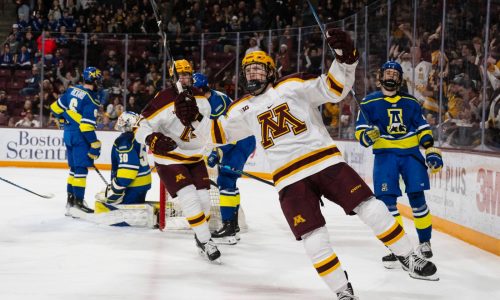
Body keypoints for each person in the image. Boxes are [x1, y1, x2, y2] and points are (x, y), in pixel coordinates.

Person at [174, 29, 438, 299]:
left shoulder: (293, 85)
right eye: (249, 71)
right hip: (288, 180)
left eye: (258, 70)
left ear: (271, 72)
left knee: (371, 207)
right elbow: (216, 134)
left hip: (325, 163)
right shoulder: (241, 109)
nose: (253, 75)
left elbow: (334, 88)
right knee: (313, 239)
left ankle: (408, 256)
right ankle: (342, 290)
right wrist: (193, 119)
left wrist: (345, 59)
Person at [354, 61, 444, 266]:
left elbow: (422, 127)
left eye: (396, 74)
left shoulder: (411, 102)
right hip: (386, 157)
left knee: (417, 199)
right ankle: (398, 248)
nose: (392, 76)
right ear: (380, 76)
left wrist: (430, 149)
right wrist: (368, 135)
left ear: (400, 79)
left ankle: (425, 243)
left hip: (411, 155)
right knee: (387, 204)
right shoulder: (368, 103)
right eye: (388, 72)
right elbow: (360, 133)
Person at [134, 59, 221, 262]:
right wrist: (151, 138)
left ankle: (200, 237)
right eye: (180, 75)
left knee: (205, 202)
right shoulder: (163, 98)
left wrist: (198, 121)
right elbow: (141, 124)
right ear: (174, 77)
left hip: (195, 157)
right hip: (169, 158)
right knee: (189, 198)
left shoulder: (201, 98)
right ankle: (206, 240)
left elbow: (207, 129)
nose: (185, 78)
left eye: (187, 74)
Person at [192, 72, 256, 245]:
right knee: (229, 182)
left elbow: (229, 133)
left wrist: (218, 151)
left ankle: (229, 228)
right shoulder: (208, 100)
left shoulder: (216, 104)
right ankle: (233, 227)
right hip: (239, 140)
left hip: (239, 140)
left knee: (225, 180)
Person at [50, 66, 103, 216]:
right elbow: (86, 127)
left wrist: (64, 118)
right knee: (80, 170)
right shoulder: (91, 99)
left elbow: (55, 108)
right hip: (80, 136)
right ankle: (78, 204)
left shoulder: (72, 90)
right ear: (94, 80)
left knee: (73, 169)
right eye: (98, 80)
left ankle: (70, 202)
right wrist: (94, 144)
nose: (99, 83)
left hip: (68, 134)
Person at [93, 111, 155, 227]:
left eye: (121, 122)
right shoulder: (138, 136)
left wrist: (115, 190)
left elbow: (128, 171)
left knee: (124, 215)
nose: (119, 124)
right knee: (137, 207)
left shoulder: (124, 141)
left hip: (133, 186)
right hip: (144, 183)